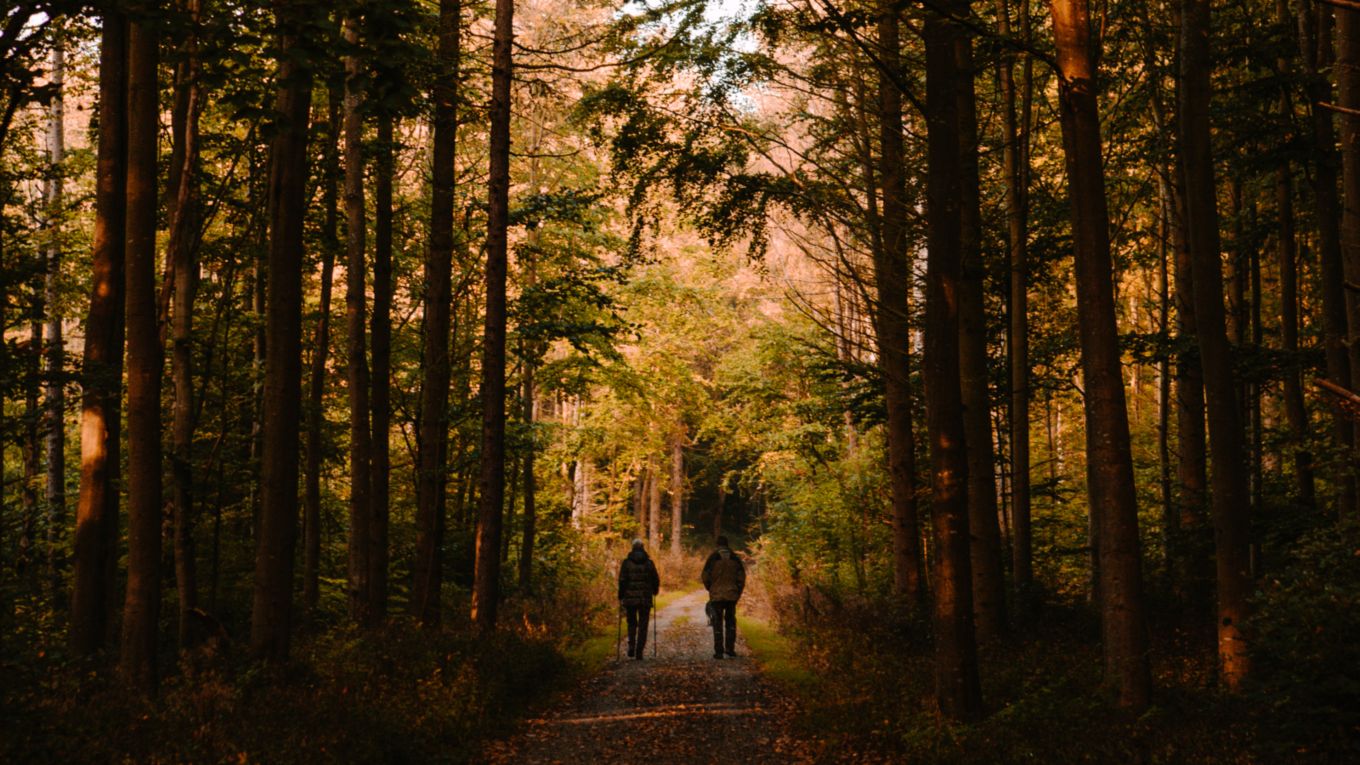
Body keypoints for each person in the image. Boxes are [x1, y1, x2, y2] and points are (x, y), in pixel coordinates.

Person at [701, 536, 746, 659]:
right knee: (731, 622)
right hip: (732, 596)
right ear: (727, 544)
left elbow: (705, 576)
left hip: (716, 596)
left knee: (717, 622)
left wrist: (710, 588)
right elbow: (741, 577)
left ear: (717, 545)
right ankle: (730, 649)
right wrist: (737, 592)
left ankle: (719, 651)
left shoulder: (713, 558)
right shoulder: (735, 558)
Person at [617, 539, 660, 659]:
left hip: (630, 599)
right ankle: (639, 651)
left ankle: (631, 645)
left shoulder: (626, 563)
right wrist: (655, 590)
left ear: (632, 547)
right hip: (645, 598)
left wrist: (621, 595)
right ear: (643, 547)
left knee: (631, 623)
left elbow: (622, 580)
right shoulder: (649, 563)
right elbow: (655, 579)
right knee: (643, 625)